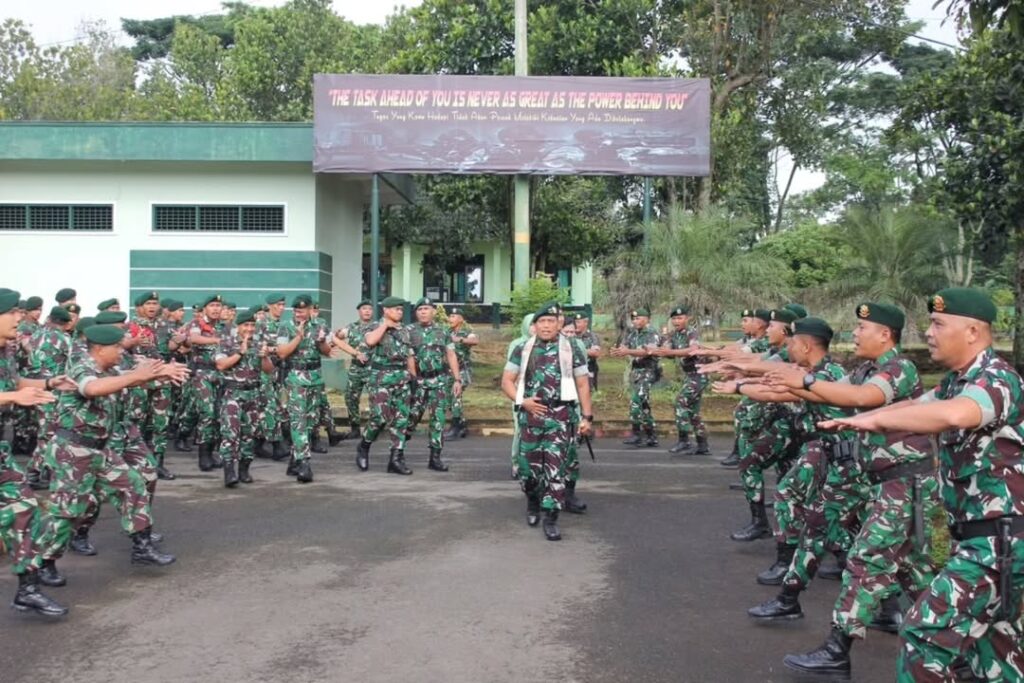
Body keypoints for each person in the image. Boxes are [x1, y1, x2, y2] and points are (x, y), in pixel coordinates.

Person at [825, 288, 1024, 682]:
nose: (928, 332)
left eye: (937, 323)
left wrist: (877, 421)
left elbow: (952, 415)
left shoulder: (998, 380)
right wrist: (866, 417)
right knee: (996, 655)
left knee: (923, 635)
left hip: (1000, 544)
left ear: (972, 331)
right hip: (979, 540)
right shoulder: (956, 381)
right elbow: (918, 405)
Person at [761, 303, 939, 678]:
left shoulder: (899, 369)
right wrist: (797, 385)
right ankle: (948, 633)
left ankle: (837, 648)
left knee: (866, 559)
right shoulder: (865, 370)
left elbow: (862, 400)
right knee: (911, 568)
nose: (855, 333)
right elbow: (837, 395)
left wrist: (805, 383)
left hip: (905, 481)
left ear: (885, 334)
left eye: (862, 327)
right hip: (877, 478)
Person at [39, 323, 182, 576]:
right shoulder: (82, 367)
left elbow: (130, 379)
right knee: (68, 512)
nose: (120, 350)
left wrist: (160, 373)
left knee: (133, 485)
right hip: (73, 451)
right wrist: (137, 376)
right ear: (99, 349)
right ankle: (43, 564)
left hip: (100, 451)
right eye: (116, 346)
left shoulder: (110, 369)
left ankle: (142, 547)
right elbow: (91, 388)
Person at [0, 288, 68, 617]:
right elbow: (10, 393)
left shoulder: (7, 349)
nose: (20, 317)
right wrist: (12, 398)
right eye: (12, 312)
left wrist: (51, 383)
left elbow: (16, 382)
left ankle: (27, 589)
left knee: (25, 508)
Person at [502, 302, 593, 541]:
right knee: (528, 471)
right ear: (534, 325)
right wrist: (523, 401)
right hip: (532, 415)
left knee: (556, 469)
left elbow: (583, 383)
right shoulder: (522, 348)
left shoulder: (572, 347)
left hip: (562, 417)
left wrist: (587, 416)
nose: (546, 326)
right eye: (541, 321)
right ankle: (533, 503)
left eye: (550, 321)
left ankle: (551, 517)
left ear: (558, 324)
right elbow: (507, 381)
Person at [354, 296, 416, 475]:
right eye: (396, 309)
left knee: (401, 419)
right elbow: (370, 341)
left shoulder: (404, 330)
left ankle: (396, 459)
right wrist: (385, 326)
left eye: (401, 309)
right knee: (379, 418)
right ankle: (364, 446)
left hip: (402, 377)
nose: (400, 312)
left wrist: (413, 378)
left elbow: (409, 354)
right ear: (386, 310)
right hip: (381, 378)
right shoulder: (374, 326)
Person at [275, 295, 333, 483]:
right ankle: (304, 463)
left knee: (310, 421)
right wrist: (298, 337)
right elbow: (282, 353)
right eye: (296, 311)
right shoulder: (286, 326)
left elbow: (326, 351)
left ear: (310, 310)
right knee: (298, 420)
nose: (299, 314)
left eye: (302, 310)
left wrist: (322, 341)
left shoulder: (320, 324)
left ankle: (294, 459)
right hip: (296, 378)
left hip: (315, 377)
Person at [405, 298, 461, 472]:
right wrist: (414, 381)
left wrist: (457, 379)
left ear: (433, 312)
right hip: (419, 381)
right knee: (410, 418)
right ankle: (397, 452)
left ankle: (435, 458)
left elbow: (450, 355)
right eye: (420, 309)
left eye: (426, 308)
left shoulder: (442, 331)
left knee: (438, 420)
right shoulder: (409, 331)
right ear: (416, 312)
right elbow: (409, 358)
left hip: (439, 381)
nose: (423, 312)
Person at [215, 310, 268, 487]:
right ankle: (229, 471)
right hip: (233, 394)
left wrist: (265, 356)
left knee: (250, 434)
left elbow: (269, 370)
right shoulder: (227, 342)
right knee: (230, 433)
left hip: (253, 394)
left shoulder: (259, 343)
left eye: (252, 325)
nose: (250, 329)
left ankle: (244, 469)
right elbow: (221, 365)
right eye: (246, 325)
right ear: (238, 327)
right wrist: (240, 353)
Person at [656, 305, 710, 455]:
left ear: (687, 318)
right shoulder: (674, 335)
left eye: (680, 318)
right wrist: (658, 350)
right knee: (693, 411)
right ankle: (702, 444)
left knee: (680, 402)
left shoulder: (692, 333)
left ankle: (684, 441)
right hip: (690, 375)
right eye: (674, 318)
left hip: (699, 373)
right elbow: (667, 350)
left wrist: (670, 351)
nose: (676, 321)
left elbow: (692, 350)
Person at [611, 308, 662, 447]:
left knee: (636, 400)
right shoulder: (633, 334)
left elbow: (647, 352)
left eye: (638, 318)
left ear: (647, 319)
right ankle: (651, 435)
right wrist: (617, 350)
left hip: (649, 371)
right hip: (637, 372)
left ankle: (636, 434)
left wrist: (627, 351)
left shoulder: (652, 333)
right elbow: (624, 346)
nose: (635, 321)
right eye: (633, 319)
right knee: (644, 404)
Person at [185, 294, 225, 472]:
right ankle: (203, 456)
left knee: (218, 413)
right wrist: (216, 340)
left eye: (218, 305)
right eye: (212, 305)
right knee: (207, 412)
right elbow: (194, 339)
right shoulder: (197, 323)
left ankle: (211, 452)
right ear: (205, 309)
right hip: (201, 373)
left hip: (220, 373)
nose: (216, 309)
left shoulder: (224, 326)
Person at [253, 293, 290, 461]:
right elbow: (256, 347)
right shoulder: (260, 325)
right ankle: (276, 445)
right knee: (270, 407)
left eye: (283, 305)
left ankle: (257, 443)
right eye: (278, 304)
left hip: (279, 371)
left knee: (272, 406)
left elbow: (284, 348)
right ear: (269, 306)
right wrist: (272, 350)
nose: (281, 308)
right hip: (262, 371)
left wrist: (274, 350)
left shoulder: (283, 325)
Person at [334, 299, 375, 441]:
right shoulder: (351, 327)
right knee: (351, 398)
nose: (367, 311)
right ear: (359, 311)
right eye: (364, 308)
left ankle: (373, 429)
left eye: (370, 308)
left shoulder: (378, 327)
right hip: (356, 368)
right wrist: (337, 335)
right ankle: (355, 428)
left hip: (373, 368)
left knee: (375, 399)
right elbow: (337, 337)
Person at [444, 306, 477, 439]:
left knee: (455, 396)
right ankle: (462, 425)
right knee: (447, 399)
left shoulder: (467, 331)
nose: (450, 318)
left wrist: (460, 340)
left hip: (463, 371)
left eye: (454, 316)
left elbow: (475, 340)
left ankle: (456, 427)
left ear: (461, 319)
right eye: (450, 316)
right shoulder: (447, 331)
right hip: (449, 371)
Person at [575, 313, 601, 391]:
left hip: (589, 368)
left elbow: (596, 353)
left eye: (579, 322)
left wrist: (578, 350)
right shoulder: (572, 335)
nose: (576, 324)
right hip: (575, 369)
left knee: (588, 391)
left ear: (586, 322)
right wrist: (588, 351)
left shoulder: (592, 337)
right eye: (575, 322)